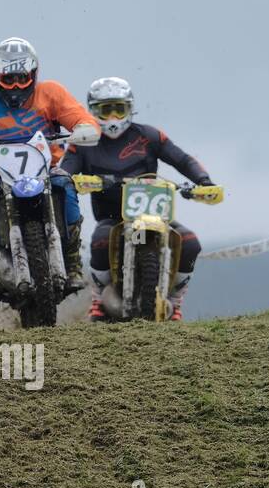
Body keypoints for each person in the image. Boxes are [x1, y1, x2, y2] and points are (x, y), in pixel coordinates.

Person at [0, 37, 101, 299]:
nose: (15, 86)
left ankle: (72, 264)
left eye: (22, 78)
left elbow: (81, 117)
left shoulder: (51, 93)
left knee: (66, 185)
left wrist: (85, 128)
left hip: (46, 170)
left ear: (33, 74)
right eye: (8, 79)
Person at [61, 77, 219, 320]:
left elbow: (182, 159)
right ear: (93, 110)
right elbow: (65, 173)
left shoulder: (149, 136)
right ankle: (98, 298)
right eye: (106, 109)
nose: (113, 116)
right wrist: (74, 180)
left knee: (190, 242)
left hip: (154, 215)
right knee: (100, 240)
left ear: (130, 108)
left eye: (119, 109)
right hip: (111, 218)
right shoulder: (84, 141)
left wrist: (203, 181)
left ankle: (175, 301)